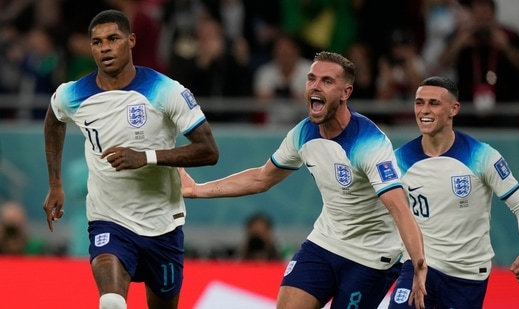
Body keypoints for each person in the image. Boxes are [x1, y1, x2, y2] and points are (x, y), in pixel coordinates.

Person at [179, 51, 427, 309]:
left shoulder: (369, 143)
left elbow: (399, 208)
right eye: (311, 79)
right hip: (325, 242)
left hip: (372, 256)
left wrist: (418, 265)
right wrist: (197, 190)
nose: (315, 86)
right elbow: (261, 178)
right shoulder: (303, 133)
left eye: (327, 81)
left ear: (346, 92)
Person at [42, 9, 219, 309]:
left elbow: (209, 151)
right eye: (97, 42)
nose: (105, 47)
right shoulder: (74, 94)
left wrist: (145, 157)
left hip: (162, 224)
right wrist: (55, 182)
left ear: (131, 40)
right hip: (108, 219)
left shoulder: (166, 90)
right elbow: (53, 119)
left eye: (113, 38)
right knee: (111, 301)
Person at [388, 76, 519, 309]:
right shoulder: (398, 160)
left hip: (467, 275)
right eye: (419, 102)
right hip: (419, 265)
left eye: (433, 103)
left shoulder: (482, 156)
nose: (424, 110)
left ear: (453, 109)